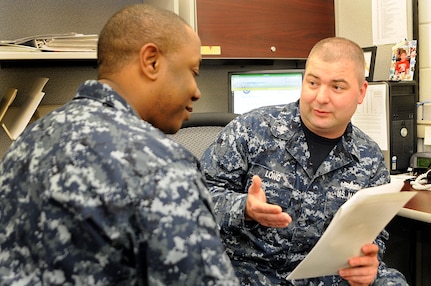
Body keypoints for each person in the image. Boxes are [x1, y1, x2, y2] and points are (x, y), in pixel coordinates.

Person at [0, 4, 239, 286]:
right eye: (193, 72)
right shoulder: (161, 165)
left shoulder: (27, 141)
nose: (197, 92)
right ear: (151, 61)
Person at [200, 37, 408, 285]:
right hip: (251, 275)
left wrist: (366, 264)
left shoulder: (369, 158)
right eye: (312, 82)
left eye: (337, 87)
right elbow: (196, 198)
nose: (321, 97)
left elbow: (373, 236)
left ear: (361, 92)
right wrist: (244, 207)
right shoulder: (252, 129)